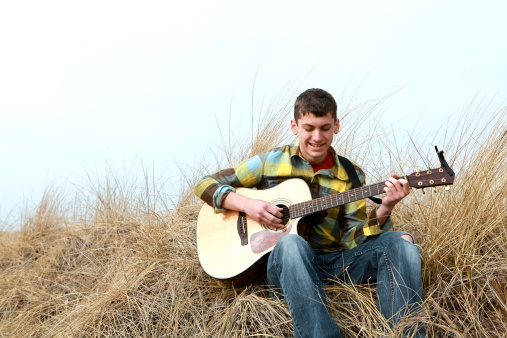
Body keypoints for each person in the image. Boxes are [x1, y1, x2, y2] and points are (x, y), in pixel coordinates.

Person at [194, 88, 425, 337]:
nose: (317, 137)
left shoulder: (350, 174)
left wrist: (386, 206)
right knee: (292, 242)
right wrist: (250, 205)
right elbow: (204, 185)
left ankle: (403, 333)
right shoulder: (270, 161)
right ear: (294, 126)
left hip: (332, 265)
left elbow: (352, 239)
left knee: (402, 243)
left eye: (325, 128)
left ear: (336, 126)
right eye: (308, 128)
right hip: (285, 267)